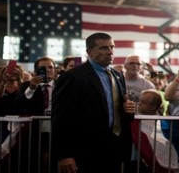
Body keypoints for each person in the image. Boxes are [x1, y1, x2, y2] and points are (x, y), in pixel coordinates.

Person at [52, 32, 137, 173]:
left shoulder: (118, 75)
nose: (110, 52)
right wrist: (64, 154)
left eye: (112, 47)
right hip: (85, 150)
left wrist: (128, 110)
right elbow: (61, 118)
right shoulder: (73, 77)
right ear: (89, 52)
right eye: (103, 48)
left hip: (114, 147)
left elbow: (117, 111)